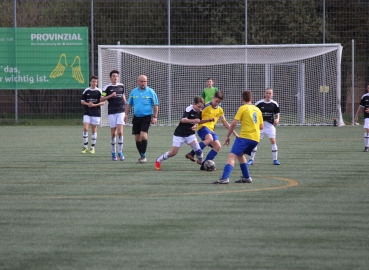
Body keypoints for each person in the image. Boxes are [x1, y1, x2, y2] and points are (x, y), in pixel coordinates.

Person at [213, 90, 263, 184]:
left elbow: (234, 123)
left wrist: (228, 135)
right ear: (252, 99)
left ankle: (224, 178)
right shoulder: (258, 110)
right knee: (240, 155)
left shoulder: (243, 108)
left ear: (242, 99)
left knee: (231, 156)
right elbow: (261, 127)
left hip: (245, 137)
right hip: (256, 139)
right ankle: (246, 177)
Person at [155, 96, 214, 170]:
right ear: (194, 104)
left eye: (201, 107)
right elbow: (183, 120)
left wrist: (207, 120)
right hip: (180, 134)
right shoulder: (189, 109)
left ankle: (201, 162)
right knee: (173, 153)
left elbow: (198, 121)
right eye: (199, 106)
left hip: (190, 134)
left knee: (198, 151)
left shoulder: (200, 111)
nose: (200, 109)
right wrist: (193, 121)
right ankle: (158, 160)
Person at [185, 90, 237, 170]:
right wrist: (194, 125)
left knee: (217, 146)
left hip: (211, 130)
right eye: (216, 101)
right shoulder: (205, 106)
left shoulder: (220, 110)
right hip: (203, 127)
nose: (217, 103)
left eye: (219, 102)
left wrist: (234, 132)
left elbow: (225, 122)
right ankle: (191, 153)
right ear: (213, 98)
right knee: (209, 139)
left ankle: (204, 165)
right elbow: (197, 116)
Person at [124, 74, 159, 163]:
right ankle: (142, 156)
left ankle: (143, 156)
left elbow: (155, 105)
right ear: (138, 82)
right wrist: (126, 114)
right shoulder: (133, 92)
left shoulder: (151, 92)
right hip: (136, 117)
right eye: (141, 81)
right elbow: (129, 104)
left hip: (146, 116)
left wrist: (154, 117)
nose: (143, 83)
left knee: (143, 135)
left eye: (145, 81)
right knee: (137, 138)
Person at [247, 87, 281, 165]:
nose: (268, 95)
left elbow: (277, 114)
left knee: (273, 141)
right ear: (264, 94)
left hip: (270, 125)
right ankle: (251, 159)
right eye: (267, 93)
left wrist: (277, 119)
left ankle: (275, 160)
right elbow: (253, 113)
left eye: (270, 93)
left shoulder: (274, 104)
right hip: (260, 125)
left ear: (272, 94)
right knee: (255, 142)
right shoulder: (259, 103)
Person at [101, 70, 126, 161]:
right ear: (110, 77)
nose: (115, 77)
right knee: (113, 133)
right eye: (114, 76)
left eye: (116, 76)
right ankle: (113, 152)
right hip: (112, 112)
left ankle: (120, 151)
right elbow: (101, 99)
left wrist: (125, 102)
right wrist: (110, 95)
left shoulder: (121, 86)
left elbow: (123, 95)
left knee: (120, 131)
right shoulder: (107, 87)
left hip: (121, 111)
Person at [80, 75, 104, 154]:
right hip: (87, 112)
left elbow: (103, 102)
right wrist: (88, 104)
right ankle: (85, 147)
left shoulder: (100, 91)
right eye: (93, 81)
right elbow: (82, 101)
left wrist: (94, 105)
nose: (94, 83)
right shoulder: (86, 90)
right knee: (85, 128)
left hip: (96, 113)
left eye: (96, 82)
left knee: (94, 129)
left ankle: (92, 147)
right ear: (90, 82)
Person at [354, 83, 369, 152]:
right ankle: (366, 146)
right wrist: (356, 117)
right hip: (367, 117)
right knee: (367, 130)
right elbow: (360, 107)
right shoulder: (364, 96)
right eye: (368, 88)